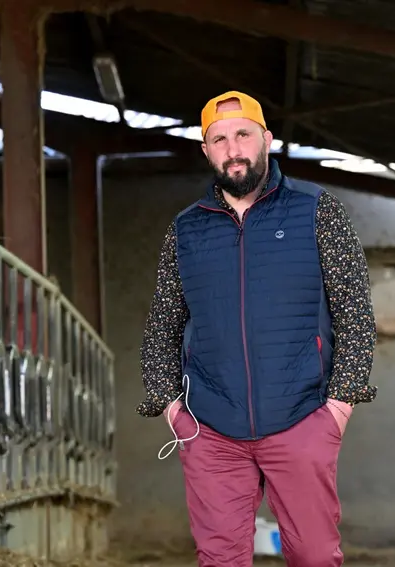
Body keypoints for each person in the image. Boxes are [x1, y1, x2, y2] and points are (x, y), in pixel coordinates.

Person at [137, 90, 377, 567]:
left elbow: (355, 313)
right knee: (220, 560)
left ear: (266, 139)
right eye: (219, 140)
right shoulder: (185, 230)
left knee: (313, 556)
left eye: (243, 134)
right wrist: (172, 409)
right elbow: (162, 324)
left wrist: (338, 407)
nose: (233, 149)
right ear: (206, 151)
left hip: (302, 418)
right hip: (211, 429)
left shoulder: (317, 211)